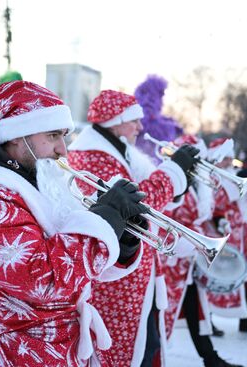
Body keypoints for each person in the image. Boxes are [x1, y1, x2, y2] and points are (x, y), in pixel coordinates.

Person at [0, 81, 148, 366]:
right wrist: (103, 222)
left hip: (55, 349)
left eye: (64, 136)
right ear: (17, 136)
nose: (62, 150)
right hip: (10, 354)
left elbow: (76, 268)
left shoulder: (37, 181)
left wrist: (122, 238)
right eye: (53, 136)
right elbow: (42, 280)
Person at [68, 89, 199, 367]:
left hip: (135, 276)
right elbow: (133, 205)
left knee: (146, 344)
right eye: (134, 121)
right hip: (117, 281)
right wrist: (173, 173)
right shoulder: (92, 156)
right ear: (115, 121)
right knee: (128, 351)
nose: (140, 127)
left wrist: (179, 178)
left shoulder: (117, 151)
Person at [161, 135, 242, 367]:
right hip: (172, 260)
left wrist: (218, 224)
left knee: (195, 306)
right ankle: (153, 358)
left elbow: (208, 211)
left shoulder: (197, 181)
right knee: (162, 313)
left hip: (190, 257)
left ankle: (210, 357)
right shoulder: (171, 180)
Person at [204, 138, 247, 334]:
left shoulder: (231, 176)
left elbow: (246, 201)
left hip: (239, 235)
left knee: (243, 276)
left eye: (230, 158)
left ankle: (246, 317)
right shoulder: (210, 178)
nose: (228, 162)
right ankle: (207, 319)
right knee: (216, 278)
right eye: (224, 158)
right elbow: (211, 206)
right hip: (219, 235)